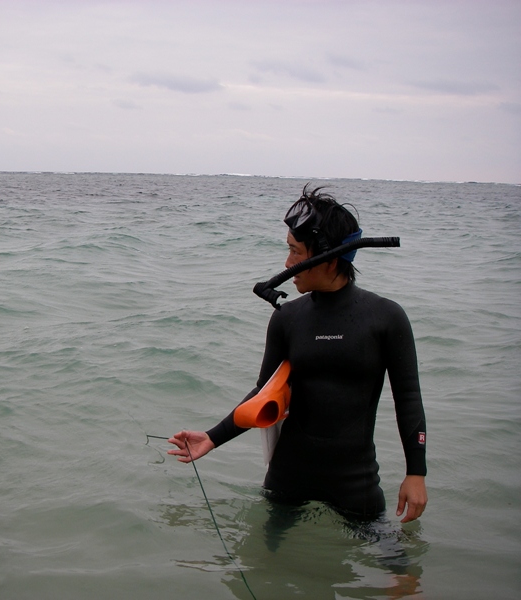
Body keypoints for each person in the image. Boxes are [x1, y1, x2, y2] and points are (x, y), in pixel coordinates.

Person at [168, 185, 427, 523]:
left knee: (397, 570)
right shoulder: (287, 319)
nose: (287, 263)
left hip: (355, 482)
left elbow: (408, 398)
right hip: (286, 478)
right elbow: (263, 393)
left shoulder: (385, 318)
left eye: (295, 252)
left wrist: (416, 473)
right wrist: (212, 438)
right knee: (265, 571)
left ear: (328, 258)